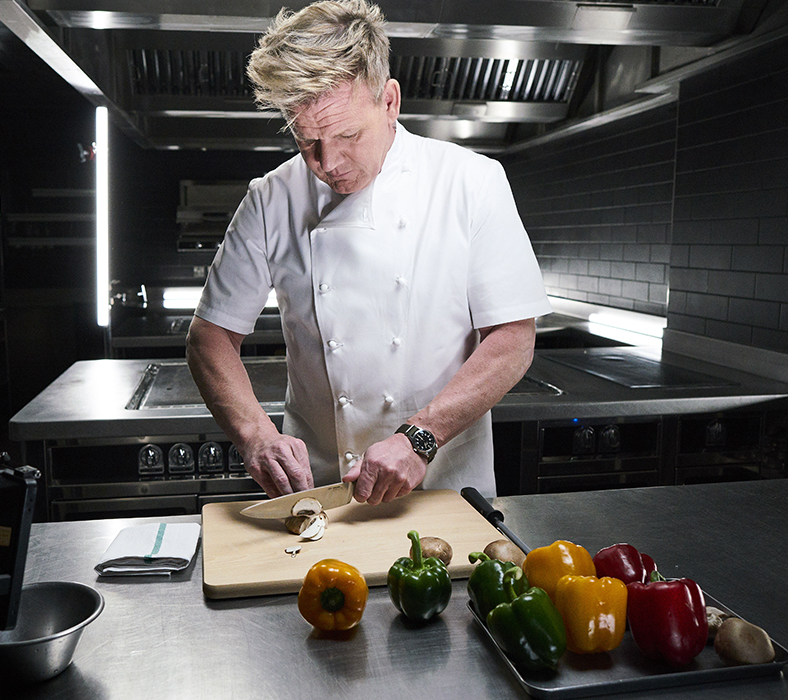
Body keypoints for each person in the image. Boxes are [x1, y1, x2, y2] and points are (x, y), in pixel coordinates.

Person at [186, 0, 551, 506]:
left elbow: (513, 339)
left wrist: (420, 437)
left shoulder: (471, 181)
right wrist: (255, 436)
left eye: (348, 136)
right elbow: (209, 338)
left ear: (389, 102)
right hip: (320, 495)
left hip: (444, 489)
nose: (329, 163)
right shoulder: (272, 198)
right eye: (307, 141)